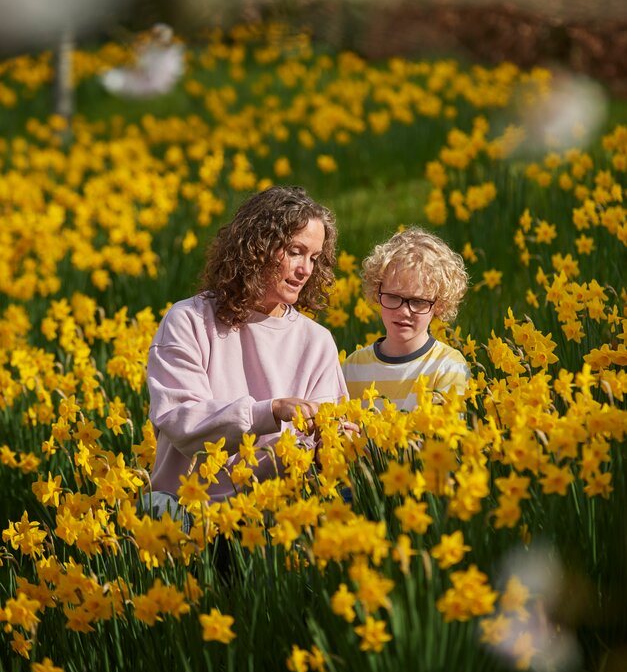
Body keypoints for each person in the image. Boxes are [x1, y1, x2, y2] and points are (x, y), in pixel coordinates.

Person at [141, 186, 348, 526]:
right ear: (258, 248)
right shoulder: (189, 321)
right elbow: (183, 422)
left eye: (315, 258)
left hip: (273, 515)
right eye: (296, 252)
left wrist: (334, 439)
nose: (306, 269)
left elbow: (315, 451)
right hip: (187, 511)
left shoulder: (317, 342)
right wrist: (271, 411)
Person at [342, 227, 470, 410]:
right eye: (393, 297)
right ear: (377, 294)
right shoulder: (353, 368)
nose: (403, 311)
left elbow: (443, 435)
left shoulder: (448, 367)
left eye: (417, 301)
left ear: (439, 304)